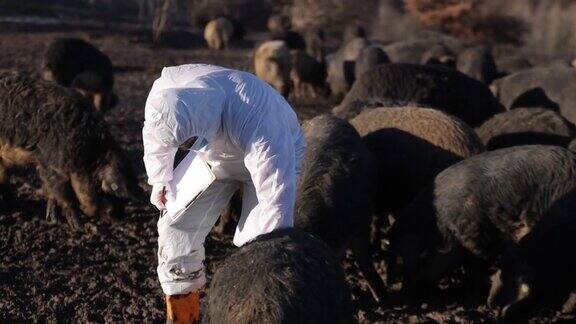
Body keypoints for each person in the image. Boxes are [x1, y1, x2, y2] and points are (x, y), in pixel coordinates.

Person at [142, 64, 305, 323]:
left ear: (203, 121)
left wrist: (272, 250)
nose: (182, 147)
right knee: (175, 228)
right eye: (181, 144)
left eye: (187, 142)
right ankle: (184, 316)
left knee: (258, 244)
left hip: (273, 155)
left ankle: (255, 312)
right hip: (213, 155)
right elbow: (156, 139)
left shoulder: (258, 119)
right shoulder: (166, 96)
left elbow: (276, 193)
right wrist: (160, 178)